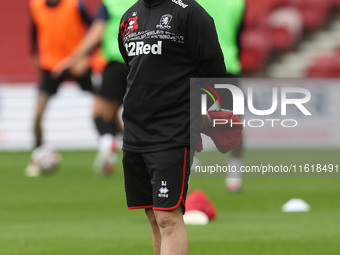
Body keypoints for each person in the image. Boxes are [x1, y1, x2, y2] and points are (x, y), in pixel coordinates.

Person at [118, 0, 227, 254]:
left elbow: (214, 72)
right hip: (134, 131)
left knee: (168, 217)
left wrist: (201, 110)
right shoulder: (129, 17)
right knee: (154, 218)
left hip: (173, 130)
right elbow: (133, 67)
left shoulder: (190, 13)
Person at [53, 0, 137, 175]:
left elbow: (95, 34)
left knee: (102, 114)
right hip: (143, 63)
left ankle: (110, 145)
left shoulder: (111, 4)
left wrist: (72, 59)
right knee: (139, 114)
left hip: (117, 64)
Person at [28, 0, 93, 151]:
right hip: (51, 65)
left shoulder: (75, 4)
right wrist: (34, 54)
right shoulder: (35, 5)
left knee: (106, 106)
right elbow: (34, 30)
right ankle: (38, 152)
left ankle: (120, 142)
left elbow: (94, 29)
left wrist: (86, 57)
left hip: (76, 62)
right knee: (37, 115)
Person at [197, 0, 246, 193]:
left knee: (188, 117)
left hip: (201, 65)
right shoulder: (237, 3)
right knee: (234, 122)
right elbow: (238, 36)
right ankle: (235, 176)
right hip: (229, 65)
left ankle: (184, 167)